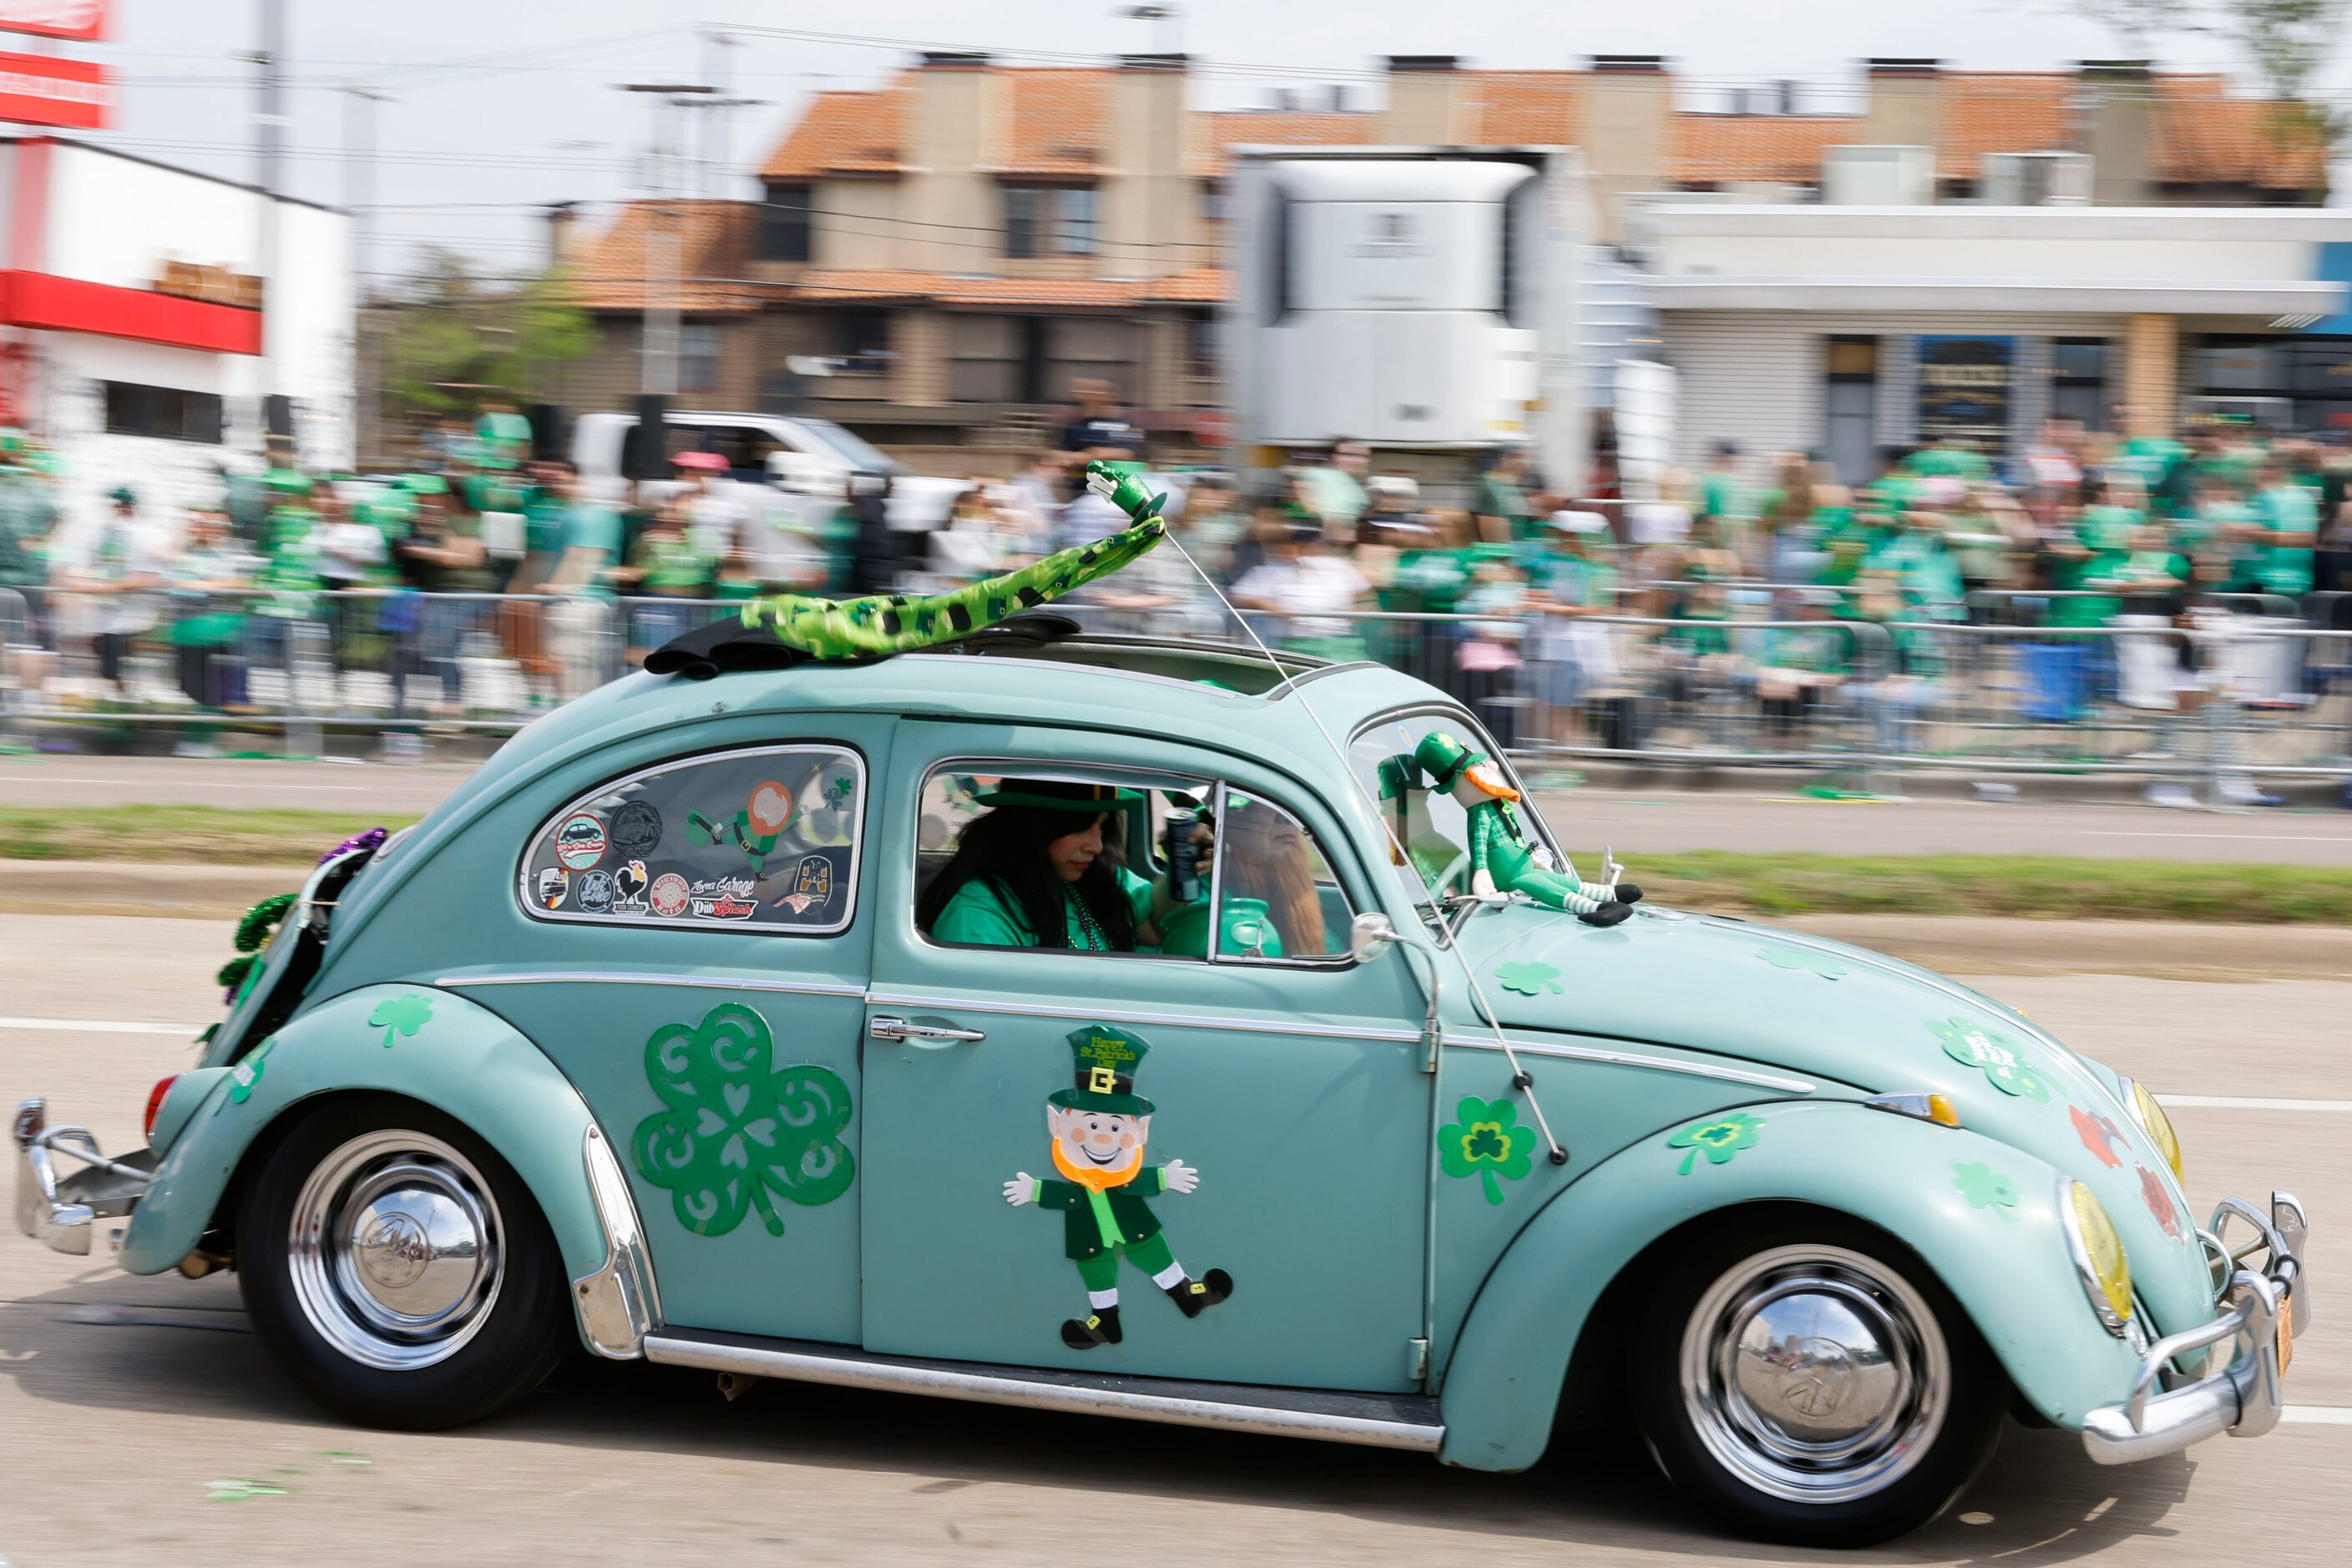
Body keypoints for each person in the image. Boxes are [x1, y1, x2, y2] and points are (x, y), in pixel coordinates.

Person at [919, 779, 1158, 951]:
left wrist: (1187, 868)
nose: (1096, 846)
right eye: (1080, 827)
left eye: (1102, 827)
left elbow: (1163, 919)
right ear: (1035, 827)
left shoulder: (1092, 877)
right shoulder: (976, 914)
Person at [68, 486, 163, 701]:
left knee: (118, 650)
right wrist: (79, 579)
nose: (116, 510)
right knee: (103, 649)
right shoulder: (101, 532)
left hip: (134, 609)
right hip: (105, 607)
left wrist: (103, 587)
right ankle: (121, 692)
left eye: (121, 506)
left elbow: (150, 576)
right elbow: (85, 561)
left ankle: (129, 695)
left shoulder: (148, 533)